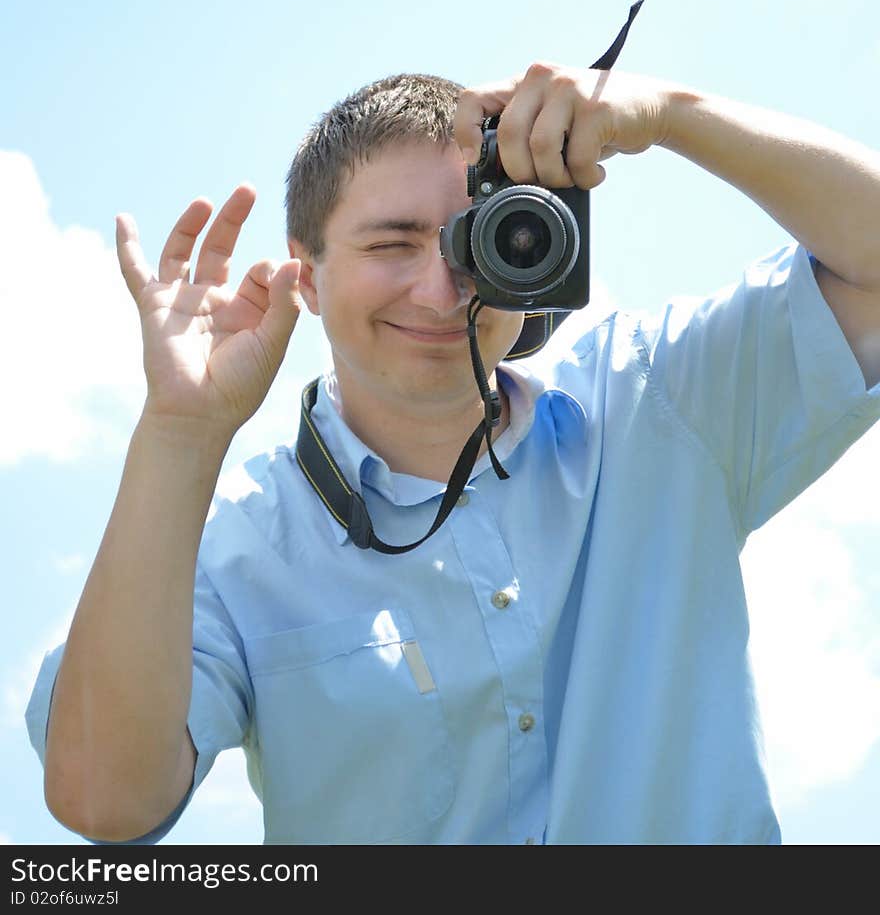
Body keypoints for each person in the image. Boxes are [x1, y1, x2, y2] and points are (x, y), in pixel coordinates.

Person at [26, 57, 880, 845]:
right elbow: (104, 801)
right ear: (308, 274)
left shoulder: (659, 399)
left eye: (484, 238)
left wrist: (670, 113)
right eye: (392, 243)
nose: (440, 288)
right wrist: (181, 430)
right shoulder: (235, 548)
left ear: (541, 247)